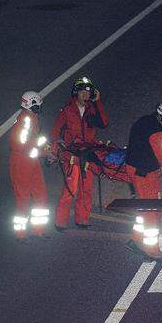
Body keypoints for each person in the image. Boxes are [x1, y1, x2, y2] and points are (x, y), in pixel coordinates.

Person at [124, 101, 162, 260]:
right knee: (152, 211)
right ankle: (152, 250)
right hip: (145, 174)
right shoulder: (157, 133)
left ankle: (136, 238)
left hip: (134, 169)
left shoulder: (144, 120)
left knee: (143, 207)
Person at [51, 76, 108, 230]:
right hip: (72, 155)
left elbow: (103, 123)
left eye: (88, 92)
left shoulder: (92, 109)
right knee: (70, 189)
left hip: (88, 153)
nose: (85, 94)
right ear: (76, 93)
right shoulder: (67, 111)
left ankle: (82, 219)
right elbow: (55, 132)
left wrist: (98, 102)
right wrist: (54, 151)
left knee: (86, 188)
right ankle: (60, 221)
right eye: (82, 91)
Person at [9, 91, 50, 238]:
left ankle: (38, 230)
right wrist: (46, 153)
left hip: (32, 161)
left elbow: (36, 141)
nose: (40, 106)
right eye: (38, 104)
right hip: (22, 163)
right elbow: (23, 145)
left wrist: (48, 150)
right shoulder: (26, 120)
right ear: (33, 104)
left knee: (41, 194)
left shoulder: (32, 119)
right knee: (23, 198)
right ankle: (20, 233)